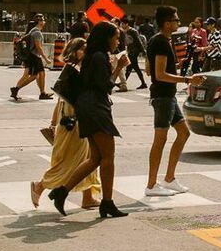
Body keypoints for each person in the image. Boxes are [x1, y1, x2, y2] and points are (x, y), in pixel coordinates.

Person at [47, 22, 126, 218]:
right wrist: (119, 67)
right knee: (108, 157)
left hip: (88, 107)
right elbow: (105, 86)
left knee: (96, 157)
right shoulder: (99, 57)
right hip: (95, 108)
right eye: (116, 37)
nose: (118, 41)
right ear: (106, 38)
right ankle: (107, 202)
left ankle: (61, 191)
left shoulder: (93, 55)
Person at [31, 38, 100, 211]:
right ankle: (40, 185)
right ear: (74, 51)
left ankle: (88, 197)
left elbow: (60, 100)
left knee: (89, 157)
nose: (86, 52)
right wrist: (54, 123)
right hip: (74, 120)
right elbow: (64, 100)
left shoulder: (77, 69)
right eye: (82, 49)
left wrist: (53, 123)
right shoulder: (74, 70)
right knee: (72, 161)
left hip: (76, 118)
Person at [145, 4, 191, 200]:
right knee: (160, 140)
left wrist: (174, 66)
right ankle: (151, 184)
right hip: (163, 96)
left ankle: (169, 178)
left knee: (183, 132)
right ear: (167, 23)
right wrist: (187, 79)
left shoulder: (159, 40)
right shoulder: (162, 42)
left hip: (167, 95)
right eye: (176, 20)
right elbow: (159, 74)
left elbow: (148, 69)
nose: (179, 22)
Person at [10, 15, 52, 103]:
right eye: (43, 20)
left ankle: (42, 93)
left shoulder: (33, 31)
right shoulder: (37, 33)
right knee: (33, 76)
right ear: (39, 22)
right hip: (34, 56)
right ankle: (16, 89)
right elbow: (38, 47)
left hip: (35, 56)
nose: (44, 22)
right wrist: (46, 58)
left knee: (42, 74)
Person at [124, 21, 147, 90]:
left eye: (122, 24)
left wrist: (143, 51)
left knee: (133, 67)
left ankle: (123, 83)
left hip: (134, 51)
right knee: (130, 67)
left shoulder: (133, 31)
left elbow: (138, 41)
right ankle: (123, 83)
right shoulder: (127, 31)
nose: (121, 25)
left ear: (126, 24)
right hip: (131, 51)